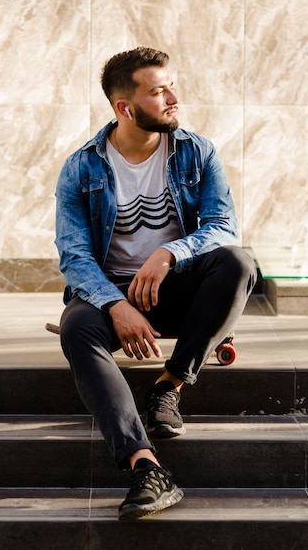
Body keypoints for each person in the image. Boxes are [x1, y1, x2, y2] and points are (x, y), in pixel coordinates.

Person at [55, 46, 257, 520]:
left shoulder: (196, 150)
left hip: (179, 284)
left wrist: (168, 252)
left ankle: (169, 384)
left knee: (237, 263)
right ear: (125, 108)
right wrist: (114, 304)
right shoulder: (81, 167)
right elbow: (75, 256)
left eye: (171, 85)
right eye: (158, 91)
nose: (173, 97)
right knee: (76, 327)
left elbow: (223, 226)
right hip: (115, 294)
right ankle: (145, 466)